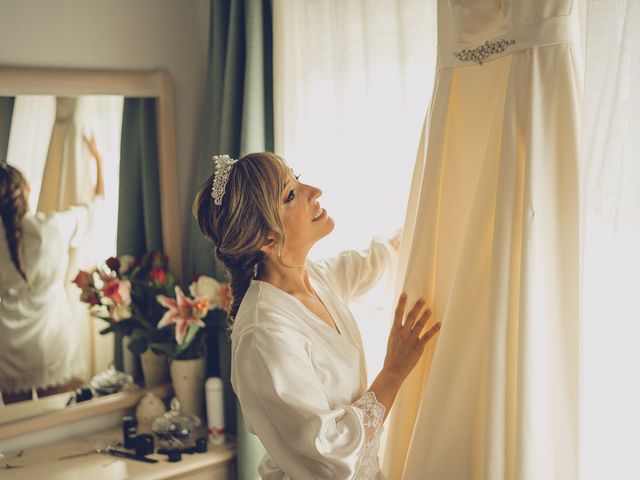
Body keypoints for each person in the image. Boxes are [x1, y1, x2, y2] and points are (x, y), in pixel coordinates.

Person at [194, 152, 441, 479]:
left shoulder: (319, 279)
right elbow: (328, 457)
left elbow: (377, 260)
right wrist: (393, 372)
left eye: (297, 178)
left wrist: (440, 207)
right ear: (266, 239)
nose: (315, 190)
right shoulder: (263, 334)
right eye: (291, 195)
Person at [0, 135, 104, 404]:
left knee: (21, 430)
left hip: (8, 350)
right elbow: (95, 207)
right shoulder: (50, 229)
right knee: (62, 423)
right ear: (24, 191)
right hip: (52, 343)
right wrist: (99, 161)